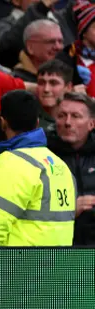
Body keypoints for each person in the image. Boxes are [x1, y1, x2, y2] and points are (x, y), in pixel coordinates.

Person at [0, 90, 76, 246]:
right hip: (56, 267)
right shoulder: (60, 165)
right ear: (37, 122)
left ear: (2, 122)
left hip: (17, 267)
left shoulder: (11, 163)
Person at [47, 92, 95, 245]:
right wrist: (68, 211)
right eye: (62, 116)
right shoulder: (43, 155)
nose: (67, 122)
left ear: (91, 124)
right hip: (57, 249)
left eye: (76, 116)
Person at [36, 60, 74, 132]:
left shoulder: (80, 121)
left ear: (68, 87)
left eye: (53, 83)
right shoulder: (28, 119)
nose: (46, 89)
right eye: (41, 83)